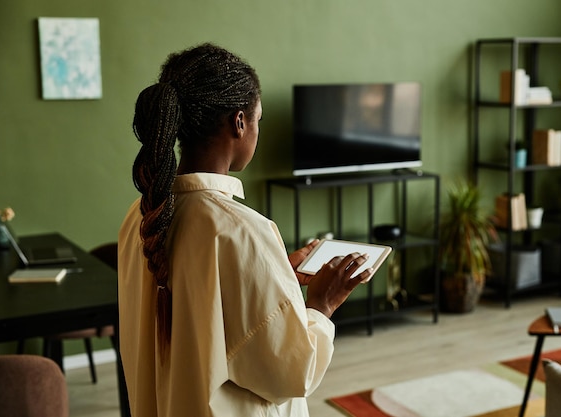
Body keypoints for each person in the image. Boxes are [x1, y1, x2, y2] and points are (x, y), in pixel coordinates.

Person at [118, 42, 373, 417]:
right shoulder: (241, 231)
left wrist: (274, 272)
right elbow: (288, 372)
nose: (257, 128)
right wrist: (321, 304)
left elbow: (200, 303)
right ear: (239, 122)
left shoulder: (140, 217)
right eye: (258, 119)